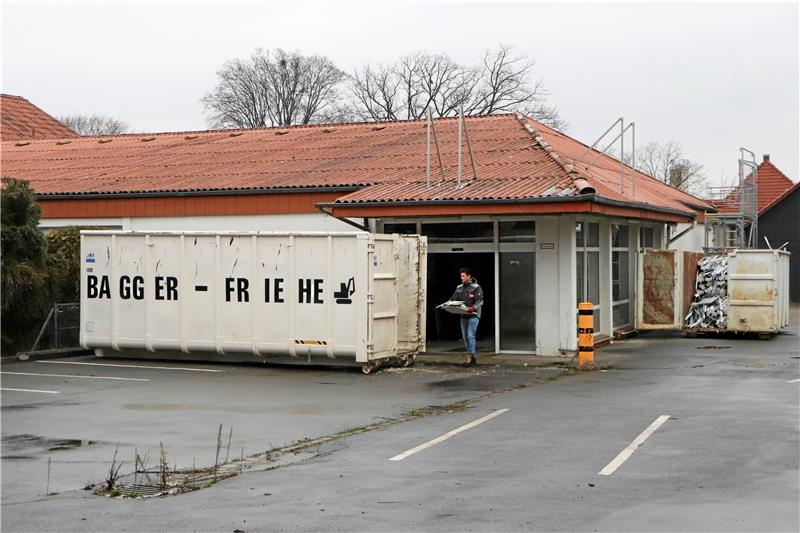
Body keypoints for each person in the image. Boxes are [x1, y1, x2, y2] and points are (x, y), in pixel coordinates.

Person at [449, 267, 483, 367]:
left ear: (469, 276)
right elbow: (453, 299)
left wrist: (473, 308)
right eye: (461, 276)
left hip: (473, 314)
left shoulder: (476, 287)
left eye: (463, 276)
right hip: (463, 315)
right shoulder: (459, 287)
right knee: (465, 337)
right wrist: (447, 305)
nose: (462, 278)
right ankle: (472, 358)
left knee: (470, 335)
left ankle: (470, 356)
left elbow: (480, 301)